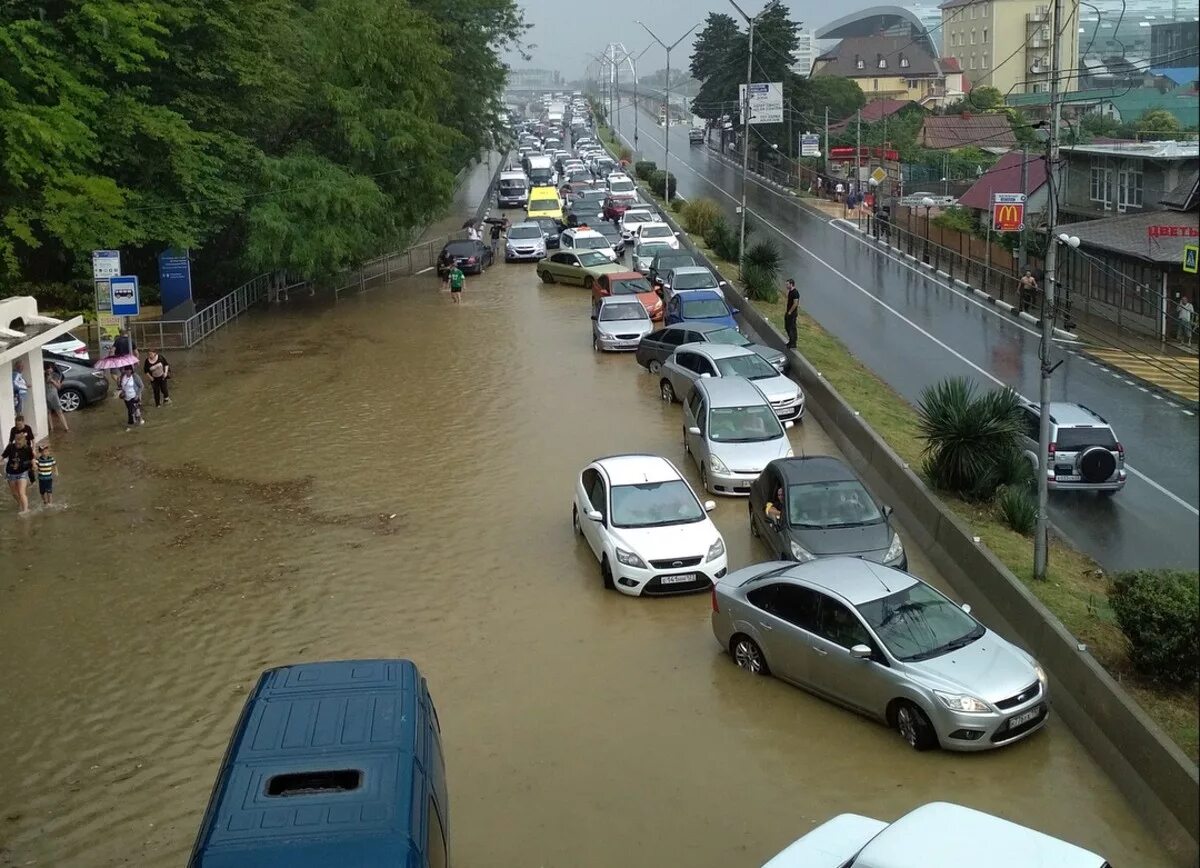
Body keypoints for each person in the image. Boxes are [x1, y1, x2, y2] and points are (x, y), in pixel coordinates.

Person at [2, 431, 34, 514]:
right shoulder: (10, 447)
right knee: (14, 493)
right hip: (11, 473)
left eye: (19, 441)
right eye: (16, 440)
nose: (17, 443)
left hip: (22, 473)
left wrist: (34, 464)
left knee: (21, 492)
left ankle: (26, 510)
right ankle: (20, 504)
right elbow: (3, 456)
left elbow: (32, 458)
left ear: (23, 440)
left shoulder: (27, 448)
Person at [44, 363, 69, 432]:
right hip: (45, 396)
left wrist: (52, 381)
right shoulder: (43, 375)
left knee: (59, 411)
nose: (49, 371)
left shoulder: (56, 375)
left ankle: (66, 427)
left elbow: (59, 387)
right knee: (48, 412)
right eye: (47, 370)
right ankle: (51, 428)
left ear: (52, 368)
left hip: (54, 395)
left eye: (50, 369)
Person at [34, 442, 57, 506]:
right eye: (44, 452)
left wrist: (56, 471)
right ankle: (45, 501)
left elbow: (54, 464)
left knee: (49, 492)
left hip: (49, 479)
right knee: (42, 492)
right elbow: (34, 465)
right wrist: (34, 466)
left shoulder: (51, 459)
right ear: (40, 452)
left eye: (47, 451)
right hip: (41, 479)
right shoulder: (38, 460)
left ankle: (50, 503)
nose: (46, 453)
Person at [784, 278, 800, 350]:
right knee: (787, 327)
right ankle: (790, 341)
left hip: (792, 314)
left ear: (791, 284)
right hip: (788, 312)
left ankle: (793, 343)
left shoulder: (795, 292)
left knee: (791, 328)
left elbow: (795, 303)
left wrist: (790, 312)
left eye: (787, 284)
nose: (786, 286)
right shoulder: (790, 292)